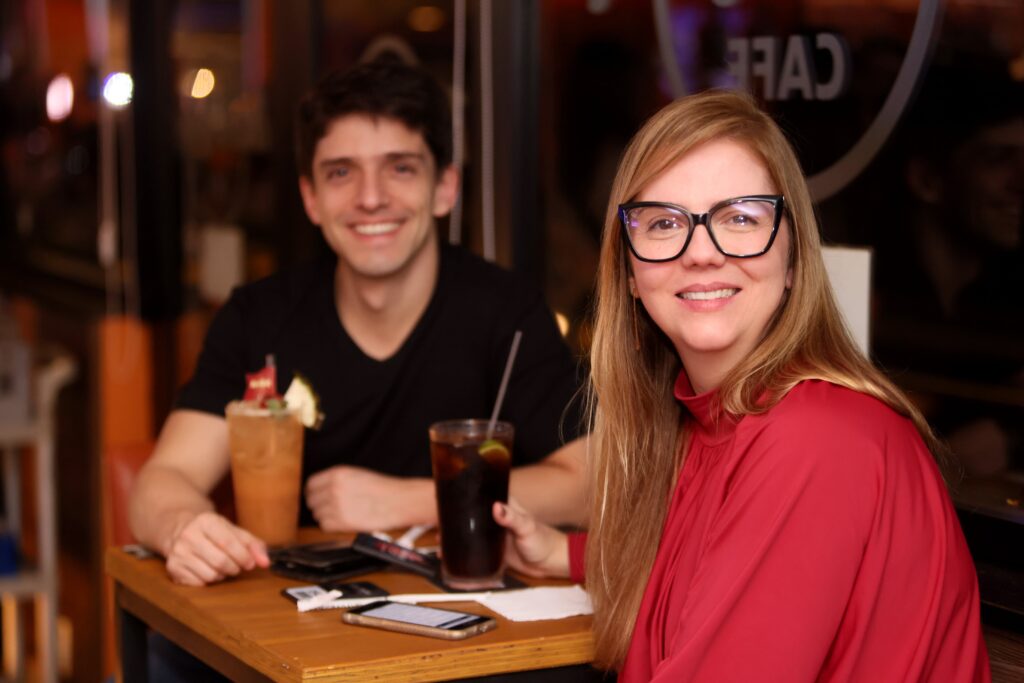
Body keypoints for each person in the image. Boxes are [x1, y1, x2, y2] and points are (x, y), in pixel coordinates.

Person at [494, 90, 990, 681]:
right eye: (663, 223)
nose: (701, 252)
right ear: (628, 270)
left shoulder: (816, 438)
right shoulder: (705, 418)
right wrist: (561, 553)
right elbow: (704, 560)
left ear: (795, 261)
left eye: (740, 218)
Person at [129, 56, 587, 588]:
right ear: (311, 197)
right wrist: (184, 527)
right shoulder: (259, 317)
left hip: (467, 620)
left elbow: (588, 486)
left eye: (400, 167)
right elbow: (165, 478)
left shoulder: (507, 313)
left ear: (445, 188)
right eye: (341, 172)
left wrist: (405, 499)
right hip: (291, 624)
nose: (371, 198)